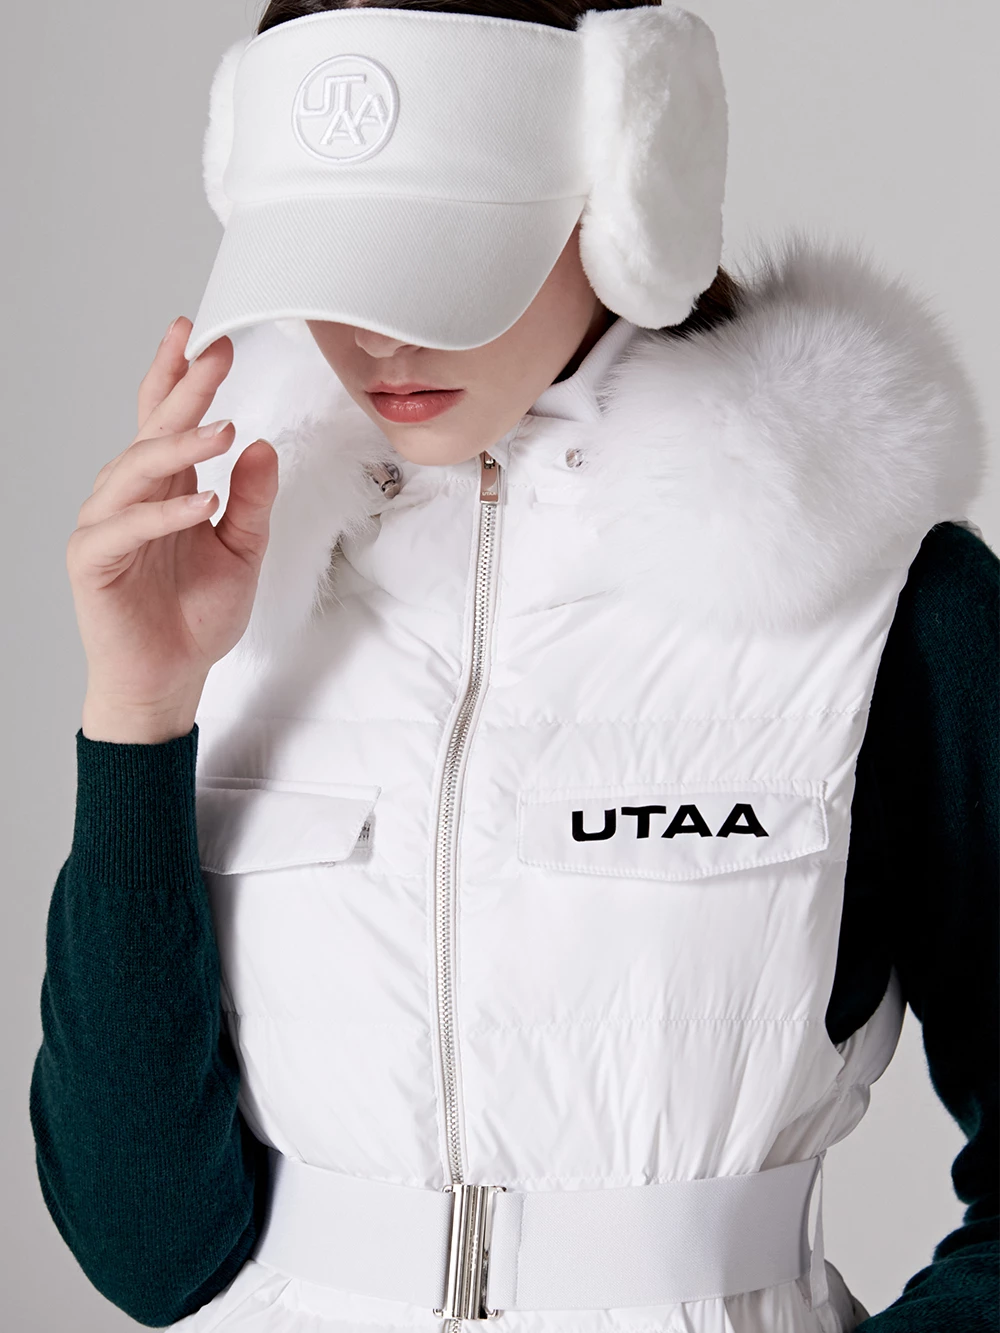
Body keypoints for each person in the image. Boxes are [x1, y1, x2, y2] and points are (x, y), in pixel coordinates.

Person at [29, 2, 998, 1331]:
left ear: (626, 194)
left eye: (437, 259)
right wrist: (141, 714)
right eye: (329, 263)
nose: (376, 336)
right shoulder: (240, 582)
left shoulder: (887, 608)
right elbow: (146, 1251)